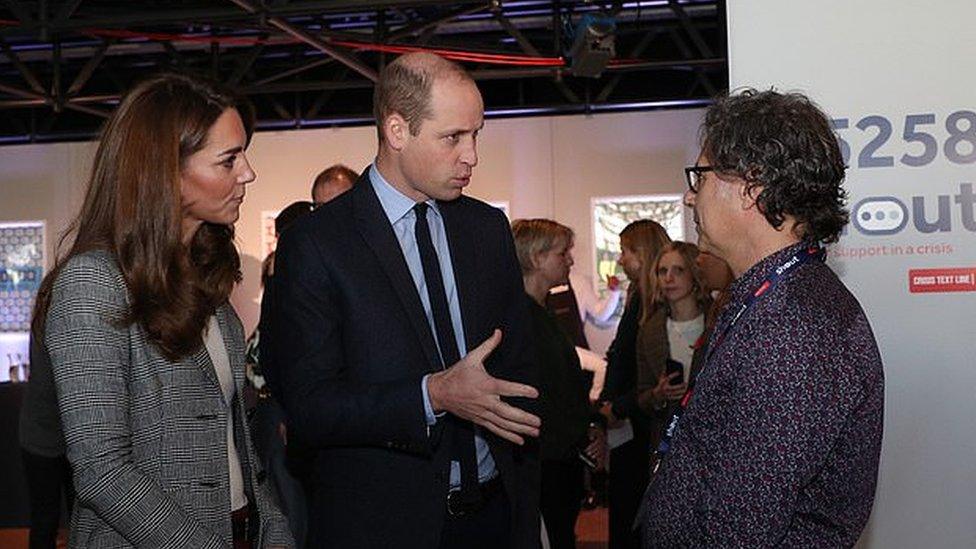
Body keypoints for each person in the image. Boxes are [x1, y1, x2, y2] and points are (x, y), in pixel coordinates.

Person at [271, 52, 541, 548]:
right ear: (397, 131)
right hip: (383, 527)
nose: (472, 156)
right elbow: (309, 407)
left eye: (476, 134)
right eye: (453, 137)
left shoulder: (485, 229)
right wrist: (431, 395)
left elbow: (518, 368)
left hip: (495, 516)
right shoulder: (317, 243)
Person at [32, 72, 293, 548]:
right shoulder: (93, 283)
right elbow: (102, 468)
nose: (248, 173)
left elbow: (236, 440)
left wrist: (272, 527)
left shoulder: (207, 277)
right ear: (165, 171)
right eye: (228, 159)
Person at [641, 89, 884, 547]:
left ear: (752, 187)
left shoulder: (793, 325)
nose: (691, 199)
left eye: (702, 177)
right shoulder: (774, 299)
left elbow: (742, 525)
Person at [513, 219, 604, 549]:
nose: (570, 260)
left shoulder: (539, 312)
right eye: (562, 252)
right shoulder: (520, 319)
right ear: (537, 258)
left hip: (555, 462)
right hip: (542, 466)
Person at [246, 200, 316, 548]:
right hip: (281, 412)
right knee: (289, 512)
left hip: (282, 409)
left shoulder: (288, 274)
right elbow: (276, 348)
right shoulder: (286, 276)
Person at [599, 219, 671, 549]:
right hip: (628, 416)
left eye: (625, 251)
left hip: (641, 421)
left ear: (641, 253)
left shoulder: (654, 305)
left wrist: (619, 404)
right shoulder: (639, 298)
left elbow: (640, 367)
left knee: (633, 510)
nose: (621, 259)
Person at [634, 242, 710, 446]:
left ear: (694, 274)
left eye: (678, 270)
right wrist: (658, 395)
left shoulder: (717, 322)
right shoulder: (649, 332)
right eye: (662, 271)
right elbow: (642, 396)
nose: (668, 278)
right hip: (669, 441)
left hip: (714, 438)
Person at [18, 334, 73, 549]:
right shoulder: (55, 316)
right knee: (45, 520)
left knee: (51, 519)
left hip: (61, 433)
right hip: (44, 433)